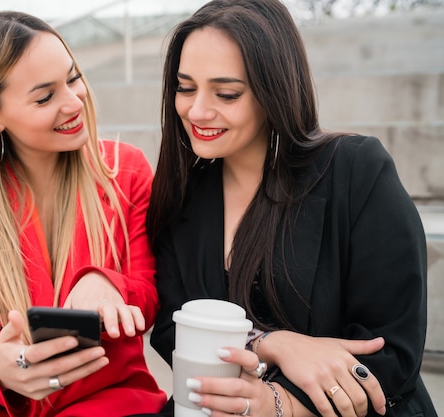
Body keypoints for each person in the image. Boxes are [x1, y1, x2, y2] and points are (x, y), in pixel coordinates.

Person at [145, 1, 437, 416]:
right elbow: (173, 328)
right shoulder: (186, 194)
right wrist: (270, 344)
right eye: (186, 87)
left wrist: (277, 404)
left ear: (273, 90)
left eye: (226, 93)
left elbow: (390, 351)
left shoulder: (355, 170)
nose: (197, 111)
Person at [0, 11, 167, 417]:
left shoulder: (126, 171)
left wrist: (107, 284)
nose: (74, 102)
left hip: (107, 396)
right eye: (44, 97)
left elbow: (146, 298)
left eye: (73, 79)